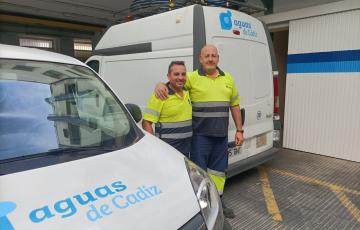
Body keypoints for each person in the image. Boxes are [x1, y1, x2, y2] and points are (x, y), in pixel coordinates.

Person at [155, 44, 244, 218]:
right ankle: (200, 206)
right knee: (198, 174)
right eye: (207, 56)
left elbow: (234, 104)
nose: (210, 59)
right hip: (199, 137)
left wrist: (239, 130)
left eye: (213, 56)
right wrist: (160, 84)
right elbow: (174, 83)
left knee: (218, 173)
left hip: (220, 136)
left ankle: (218, 201)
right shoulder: (192, 78)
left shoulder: (228, 79)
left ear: (218, 58)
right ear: (200, 59)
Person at [142, 61, 192, 157]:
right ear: (168, 76)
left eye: (183, 74)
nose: (180, 77)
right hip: (167, 150)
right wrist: (153, 145)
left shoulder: (188, 92)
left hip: (185, 149)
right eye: (176, 74)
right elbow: (146, 123)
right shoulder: (160, 95)